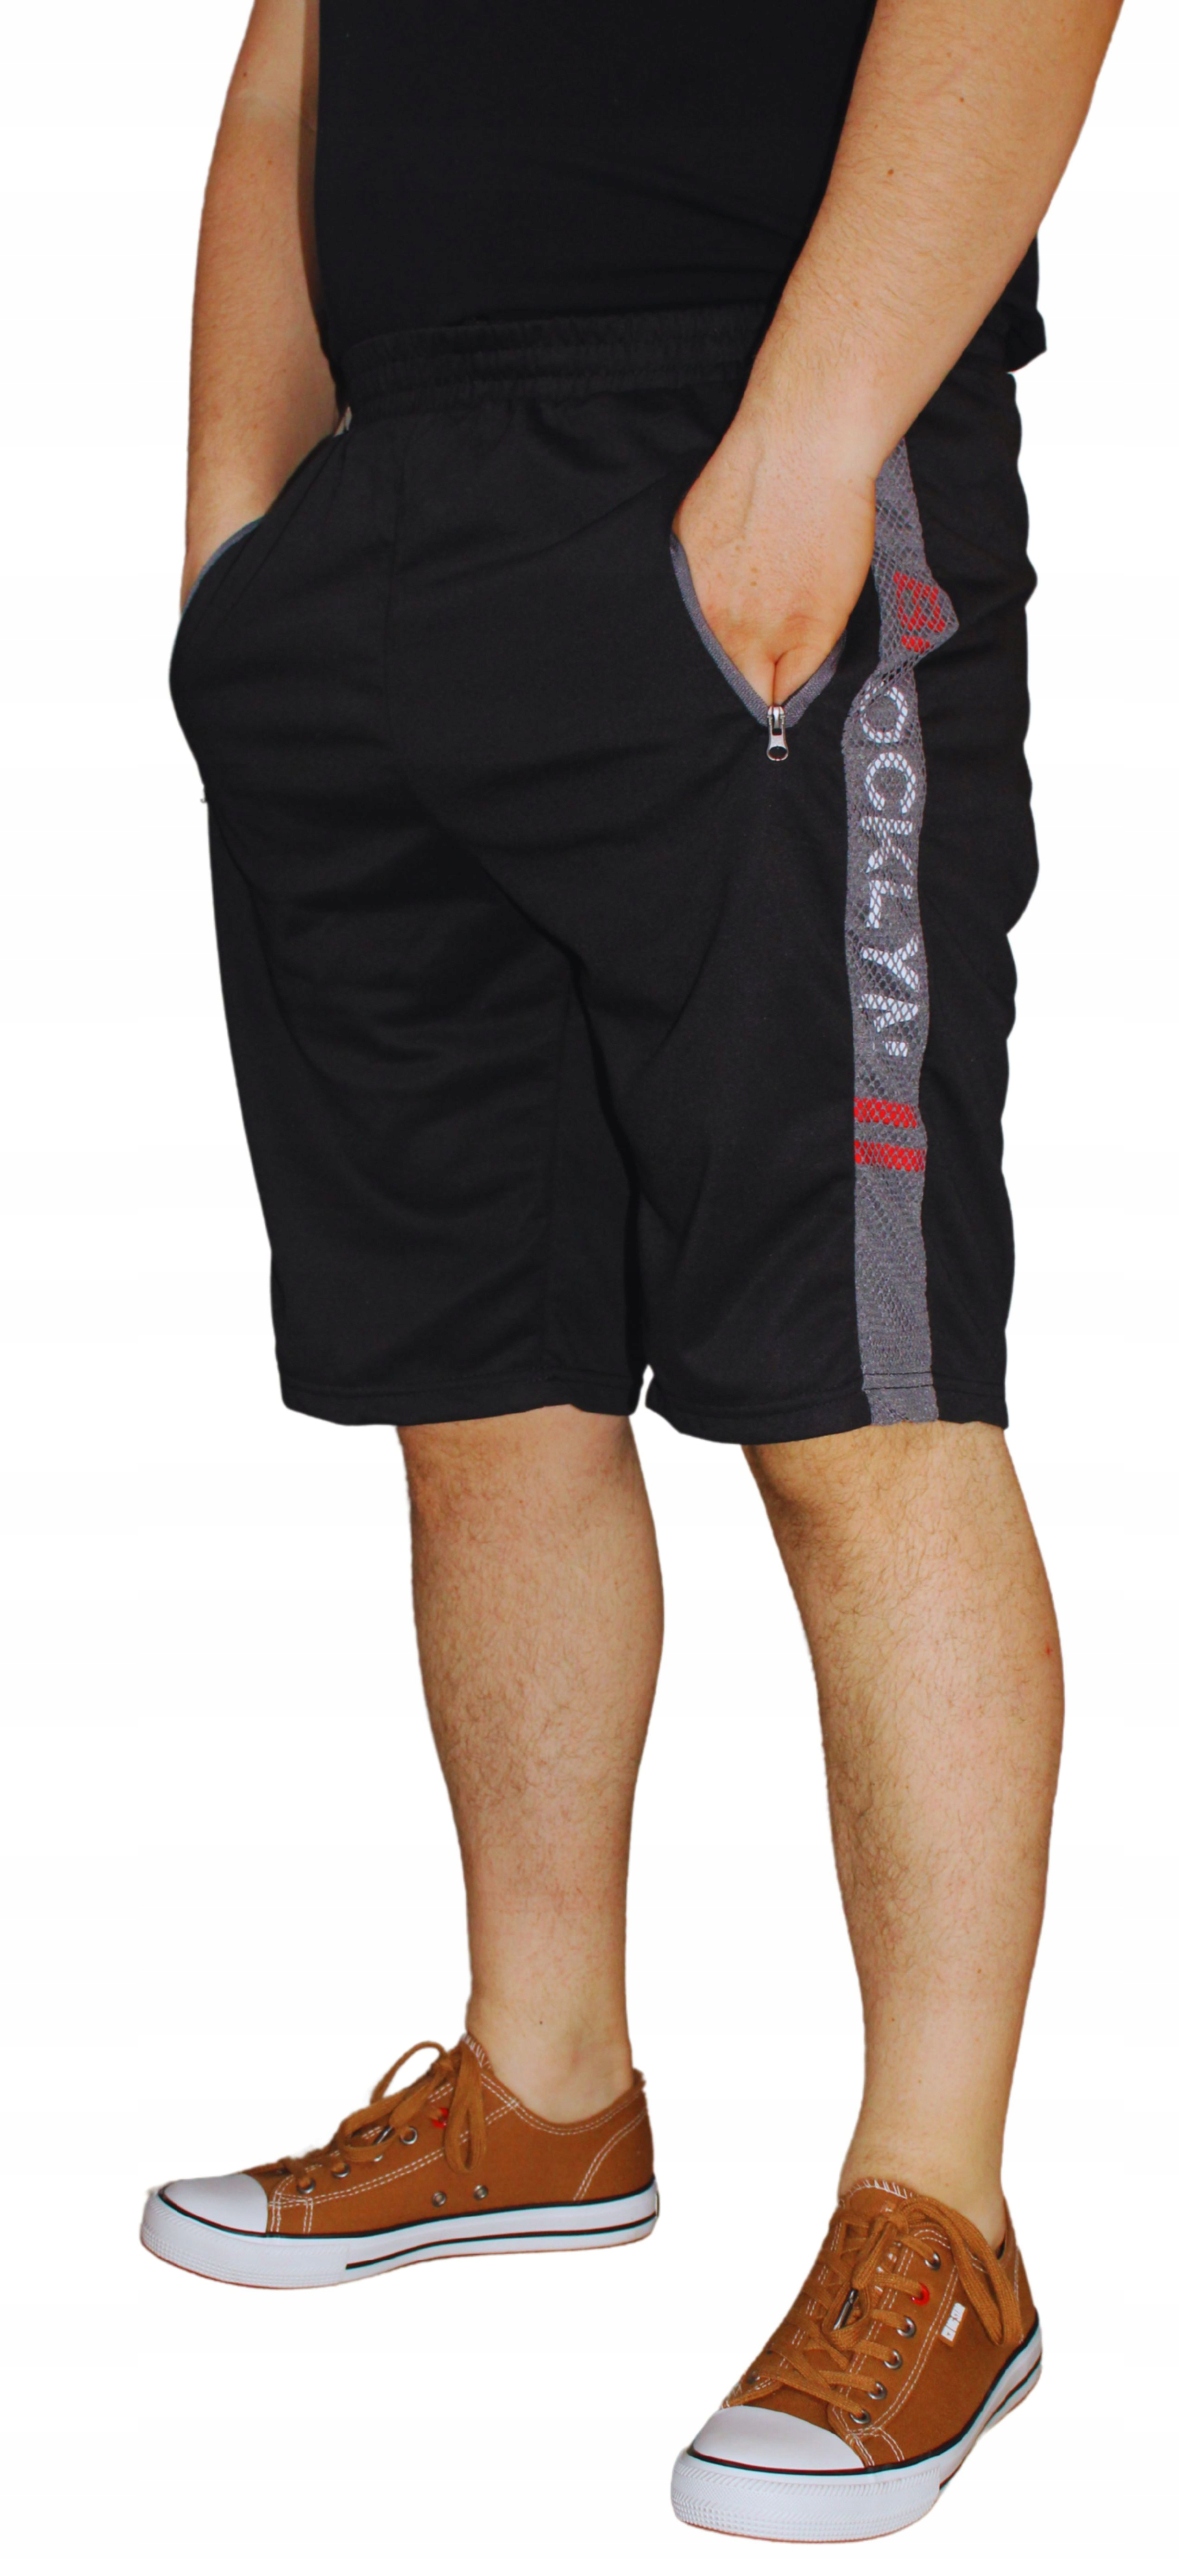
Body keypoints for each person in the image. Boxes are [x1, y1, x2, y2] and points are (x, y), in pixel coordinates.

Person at [141, 0, 1120, 2536]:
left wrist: (801, 455)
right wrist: (239, 532)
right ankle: (542, 2083)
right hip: (384, 523)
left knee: (854, 1385)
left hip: (746, 461)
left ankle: (935, 2219)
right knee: (474, 1378)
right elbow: (294, 52)